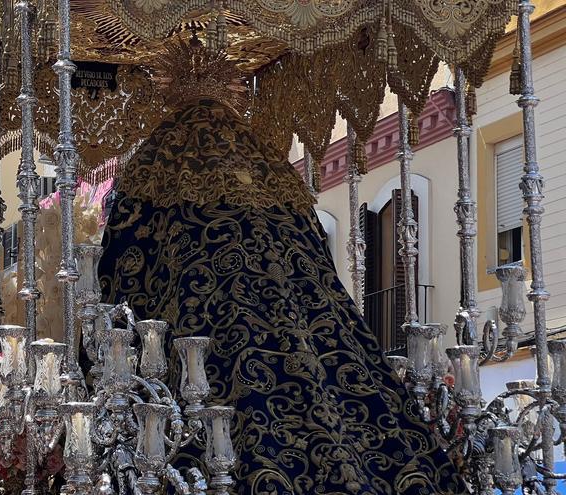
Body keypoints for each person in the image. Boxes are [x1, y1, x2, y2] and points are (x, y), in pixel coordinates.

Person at [97, 95, 466, 494]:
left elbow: (118, 288)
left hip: (198, 400)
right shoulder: (283, 203)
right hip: (337, 383)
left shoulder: (154, 197)